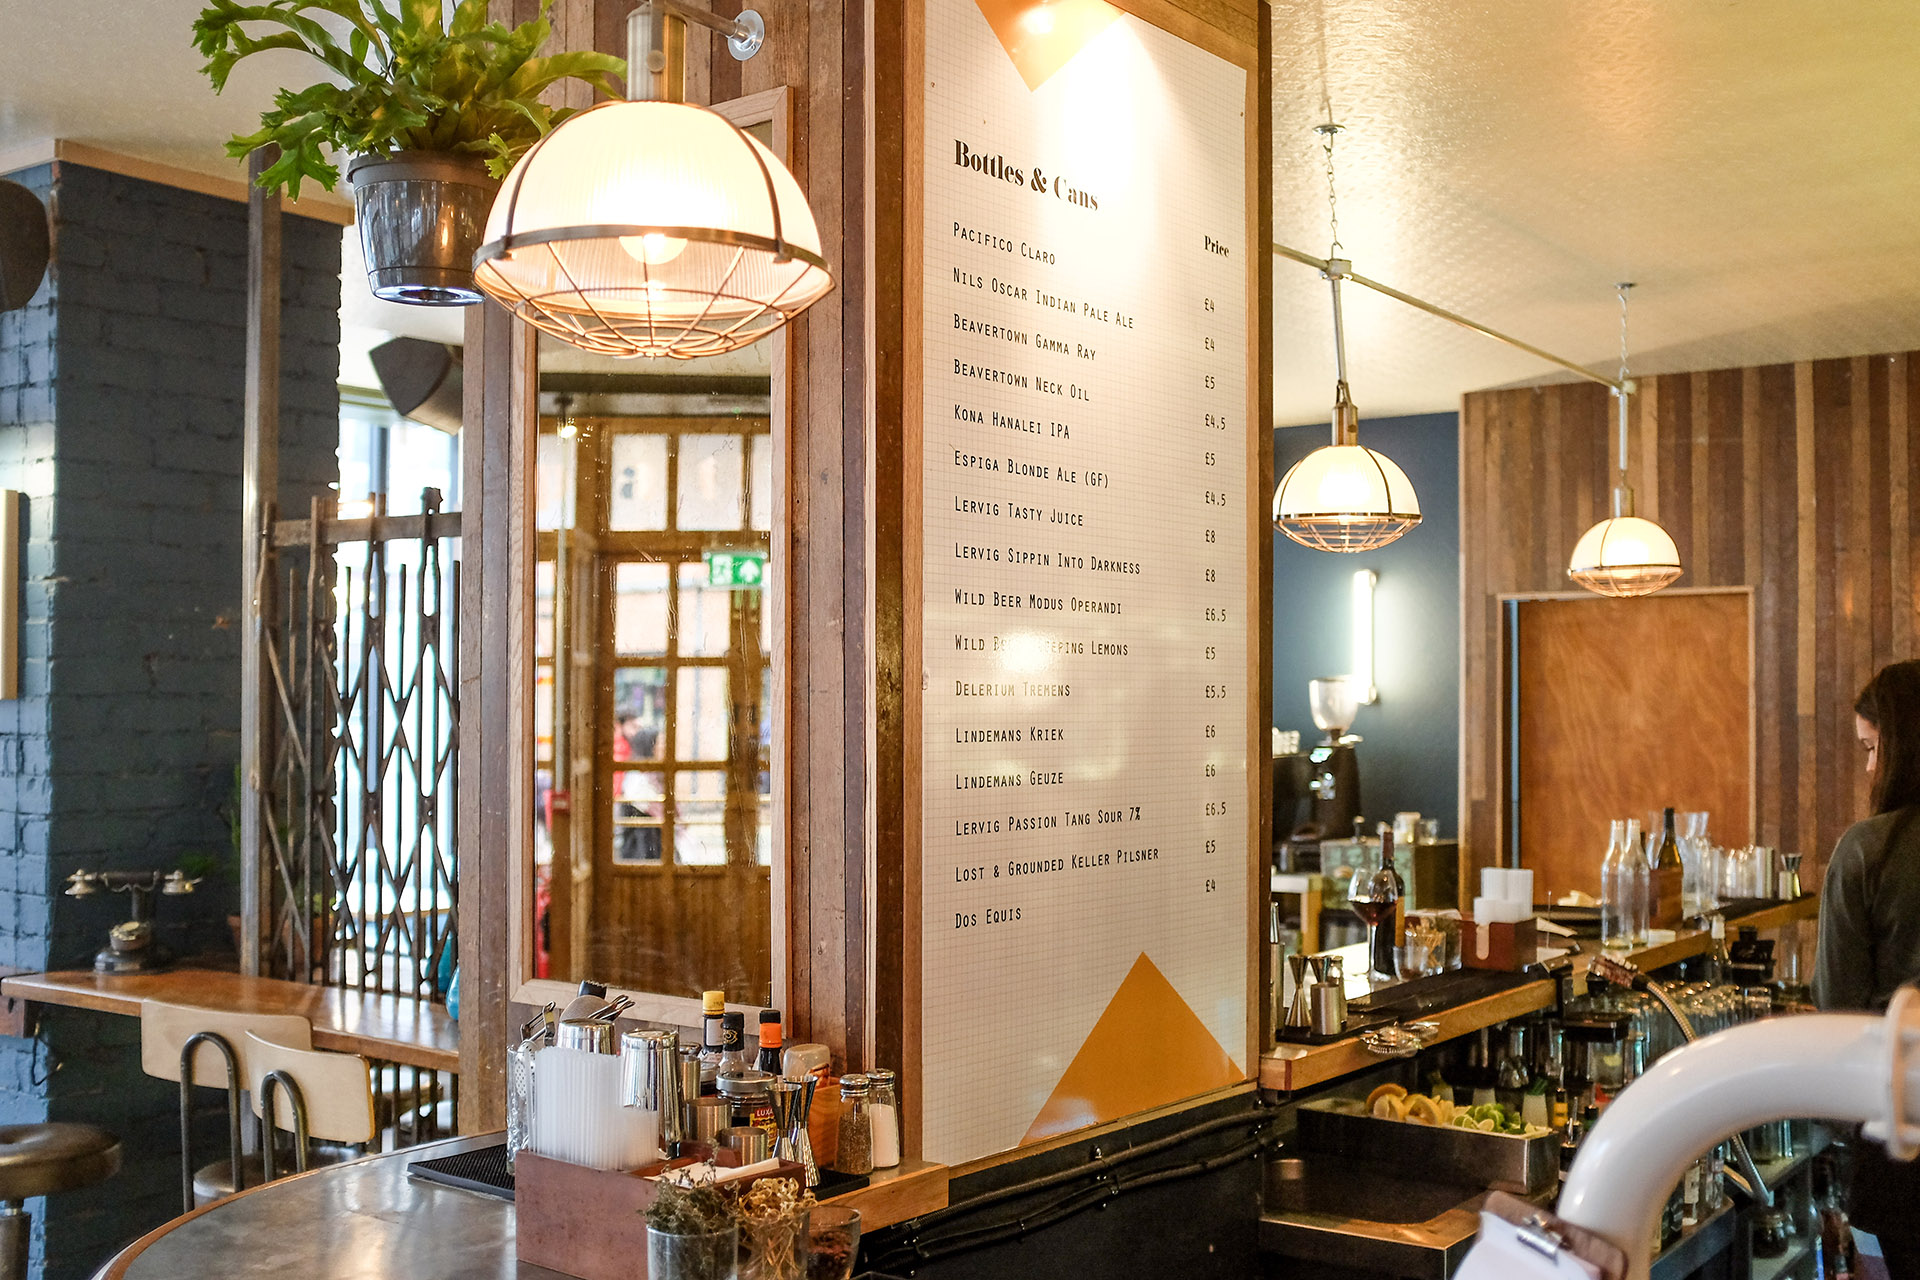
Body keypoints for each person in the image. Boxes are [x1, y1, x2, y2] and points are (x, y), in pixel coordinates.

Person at [1814, 659, 1920, 1278]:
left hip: (1896, 1139)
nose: (1869, 768)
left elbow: (1838, 1013)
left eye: (1872, 748)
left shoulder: (1867, 850)